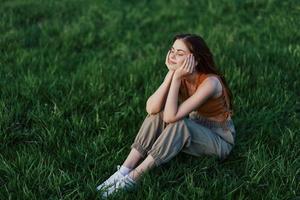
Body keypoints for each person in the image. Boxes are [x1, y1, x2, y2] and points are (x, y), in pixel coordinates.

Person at [96, 33, 236, 198]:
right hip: (195, 126)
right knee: (158, 115)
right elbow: (152, 108)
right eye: (172, 50)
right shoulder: (179, 74)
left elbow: (171, 118)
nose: (172, 56)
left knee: (179, 125)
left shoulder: (210, 83)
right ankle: (124, 170)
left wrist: (175, 78)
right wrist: (170, 75)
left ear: (195, 60)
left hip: (219, 139)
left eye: (180, 53)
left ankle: (134, 178)